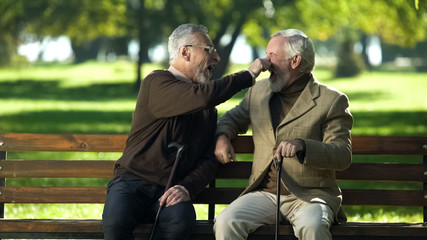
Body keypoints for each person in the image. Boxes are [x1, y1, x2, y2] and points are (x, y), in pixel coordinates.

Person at [102, 23, 270, 240]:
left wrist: (186, 187)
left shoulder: (207, 111)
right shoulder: (156, 82)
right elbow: (201, 96)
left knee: (181, 223)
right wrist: (248, 74)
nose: (217, 58)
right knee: (117, 222)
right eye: (209, 50)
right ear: (185, 52)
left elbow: (208, 160)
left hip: (171, 190)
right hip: (131, 182)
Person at [213, 29, 353, 240]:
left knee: (313, 226)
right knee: (226, 222)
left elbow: (342, 155)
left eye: (271, 56)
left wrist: (303, 146)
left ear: (295, 60)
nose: (264, 63)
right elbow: (232, 119)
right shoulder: (257, 92)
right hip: (265, 194)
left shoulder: (332, 100)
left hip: (311, 196)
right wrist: (223, 135)